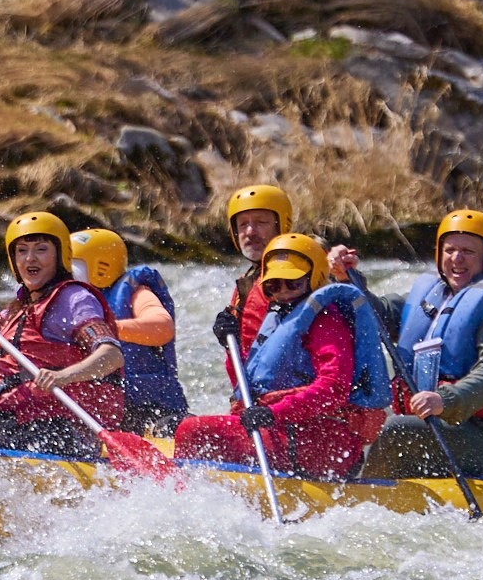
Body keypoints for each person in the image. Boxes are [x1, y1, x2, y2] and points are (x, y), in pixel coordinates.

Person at [335, 209, 483, 481]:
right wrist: (348, 279)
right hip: (441, 424)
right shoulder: (435, 296)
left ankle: (363, 500)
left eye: (468, 252)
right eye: (450, 250)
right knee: (355, 417)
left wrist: (444, 400)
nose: (456, 259)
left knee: (395, 430)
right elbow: (378, 316)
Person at [174, 234, 391, 479]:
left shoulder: (327, 321)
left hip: (323, 440)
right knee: (193, 428)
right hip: (289, 430)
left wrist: (274, 414)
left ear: (315, 277)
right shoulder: (279, 317)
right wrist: (228, 344)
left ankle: (192, 492)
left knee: (194, 431)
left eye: (293, 283)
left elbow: (334, 389)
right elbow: (247, 386)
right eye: (273, 285)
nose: (283, 291)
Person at [0, 212, 124, 458]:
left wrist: (63, 376)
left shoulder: (73, 299)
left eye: (41, 249)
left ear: (60, 255)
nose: (30, 258)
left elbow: (111, 354)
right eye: (22, 250)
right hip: (14, 420)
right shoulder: (16, 311)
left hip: (58, 430)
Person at [70, 228, 188, 436]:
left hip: (151, 405)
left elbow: (162, 326)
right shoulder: (70, 302)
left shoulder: (135, 291)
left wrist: (108, 330)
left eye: (72, 265)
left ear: (101, 266)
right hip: (104, 406)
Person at [209, 184, 294, 368]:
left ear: (282, 225)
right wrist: (231, 341)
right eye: (243, 224)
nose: (250, 232)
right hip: (257, 392)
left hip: (291, 392)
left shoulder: (298, 277)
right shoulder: (248, 281)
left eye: (261, 223)